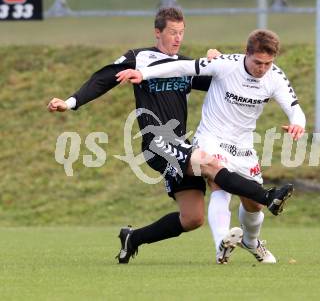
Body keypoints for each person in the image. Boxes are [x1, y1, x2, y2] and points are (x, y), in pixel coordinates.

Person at [47, 7, 294, 264]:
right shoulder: (139, 58)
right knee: (211, 164)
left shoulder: (183, 65)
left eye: (182, 33)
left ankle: (133, 238)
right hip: (157, 143)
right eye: (173, 32)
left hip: (179, 144)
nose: (178, 38)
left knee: (193, 218)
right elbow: (103, 78)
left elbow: (226, 84)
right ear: (158, 32)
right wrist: (70, 102)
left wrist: (222, 63)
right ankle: (266, 196)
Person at [116, 29, 306, 264]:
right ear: (246, 53)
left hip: (244, 145)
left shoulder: (275, 77)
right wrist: (143, 73)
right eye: (258, 62)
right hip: (212, 137)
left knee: (253, 205)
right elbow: (181, 68)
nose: (262, 68)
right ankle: (221, 246)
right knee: (218, 181)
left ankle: (251, 241)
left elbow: (294, 107)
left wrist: (298, 124)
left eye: (268, 63)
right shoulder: (225, 64)